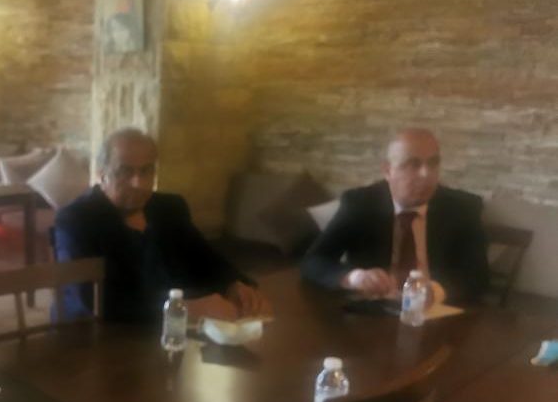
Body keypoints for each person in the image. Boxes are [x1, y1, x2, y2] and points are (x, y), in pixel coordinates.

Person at [54, 128, 269, 323]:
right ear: (102, 174)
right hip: (99, 334)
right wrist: (186, 308)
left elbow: (205, 258)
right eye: (125, 171)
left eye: (146, 171)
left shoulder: (169, 208)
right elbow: (95, 301)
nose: (138, 183)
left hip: (170, 331)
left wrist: (232, 283)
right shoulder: (76, 220)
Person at [301, 128, 490, 305]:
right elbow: (314, 260)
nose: (426, 174)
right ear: (387, 171)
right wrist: (355, 277)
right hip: (374, 308)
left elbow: (478, 275)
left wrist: (435, 291)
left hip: (438, 311)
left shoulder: (462, 208)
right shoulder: (360, 203)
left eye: (433, 163)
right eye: (412, 164)